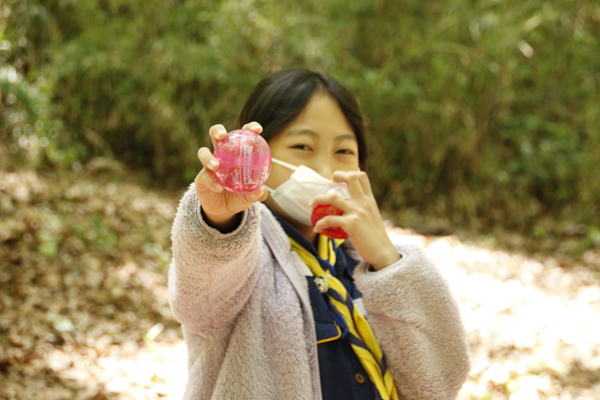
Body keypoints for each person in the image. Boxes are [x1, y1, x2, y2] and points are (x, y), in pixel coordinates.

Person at [168, 68, 470, 400]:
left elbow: (441, 381)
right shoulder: (241, 256)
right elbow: (203, 292)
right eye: (303, 146)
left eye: (343, 151)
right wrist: (219, 218)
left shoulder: (369, 264)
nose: (326, 171)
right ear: (256, 155)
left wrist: (387, 261)